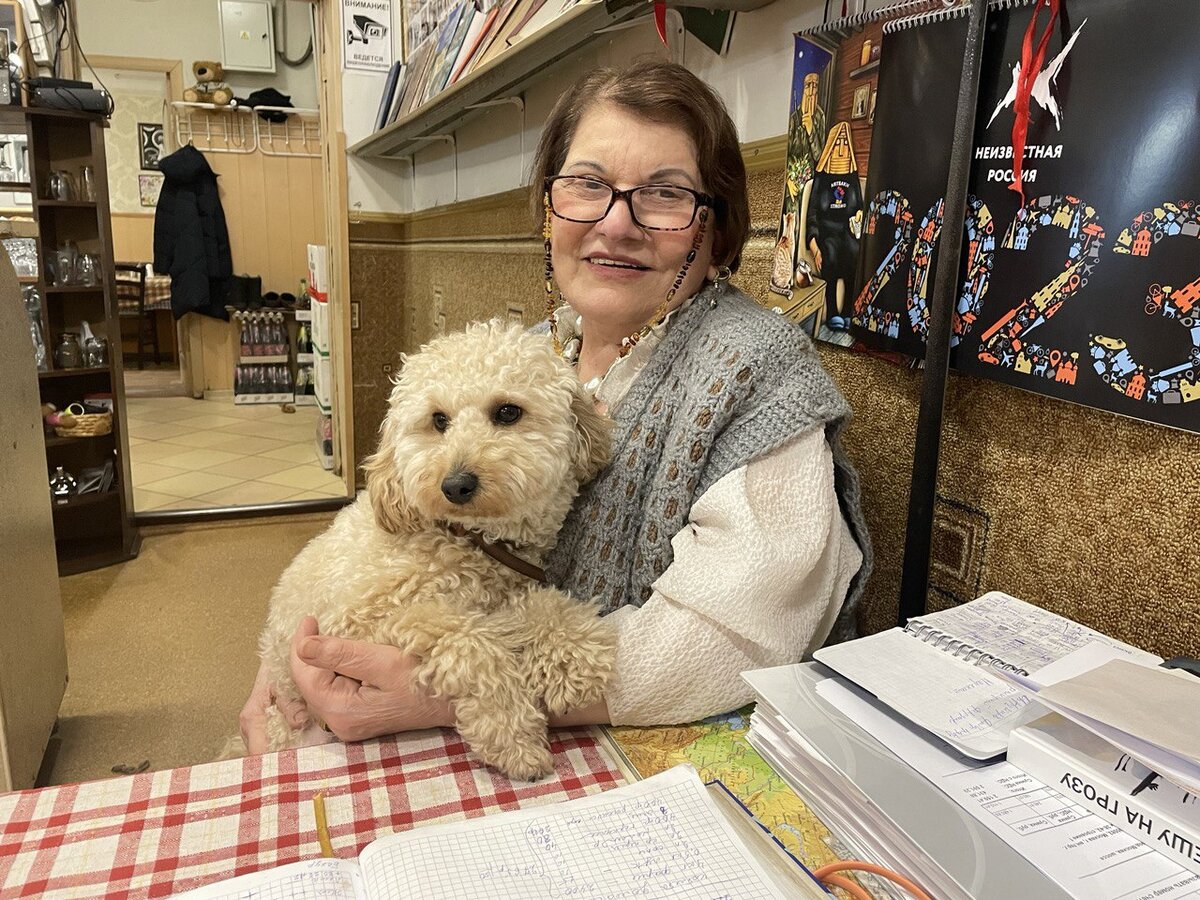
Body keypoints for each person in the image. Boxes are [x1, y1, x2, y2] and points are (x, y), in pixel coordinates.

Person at [240, 60, 871, 754]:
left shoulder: (759, 372)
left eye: (663, 194)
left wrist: (442, 690)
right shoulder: (534, 355)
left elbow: (727, 645)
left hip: (658, 768)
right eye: (587, 185)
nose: (616, 223)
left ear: (716, 231)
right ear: (550, 210)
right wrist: (290, 665)